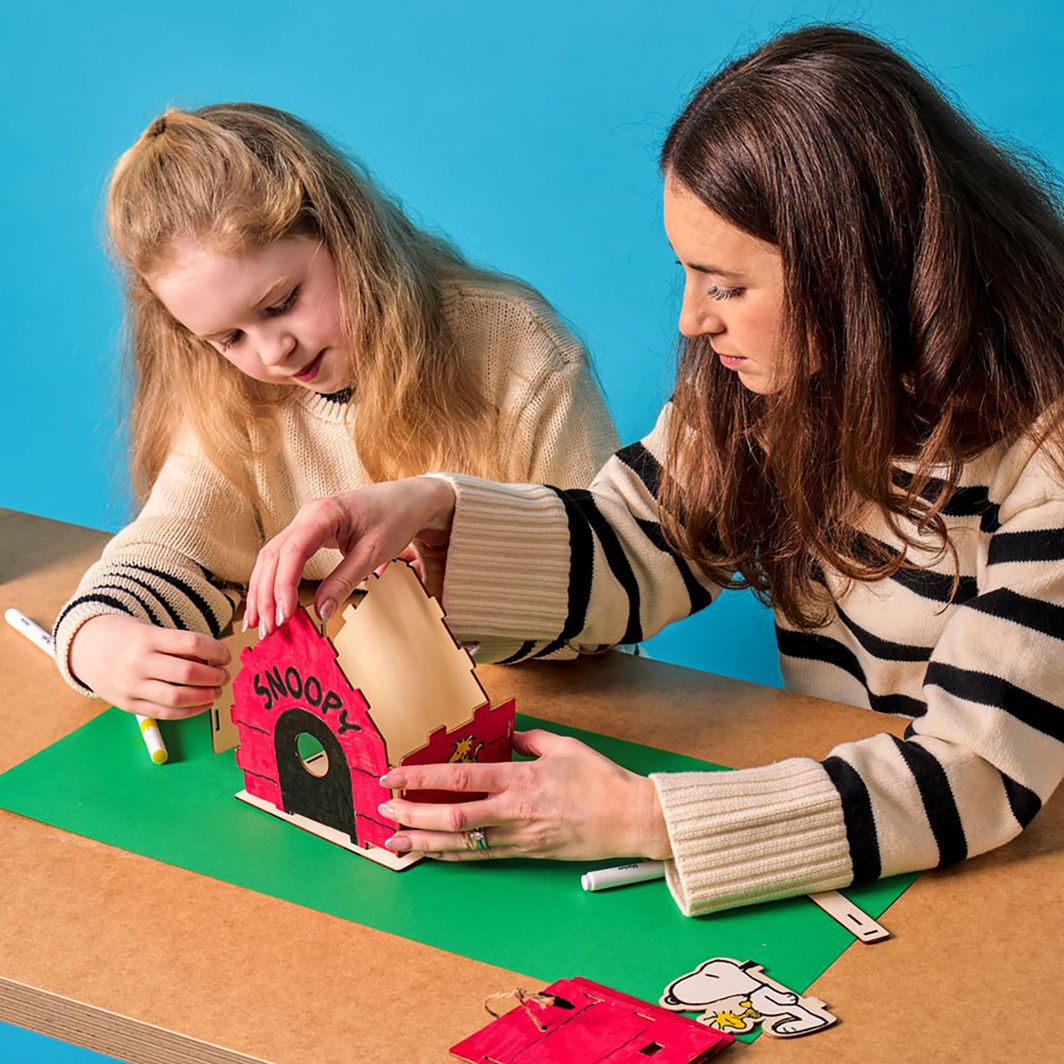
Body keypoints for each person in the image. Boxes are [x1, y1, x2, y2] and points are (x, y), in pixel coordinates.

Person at [243, 25, 1064, 918]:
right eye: (688, 274)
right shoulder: (779, 383)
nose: (690, 321)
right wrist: (433, 510)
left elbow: (977, 769)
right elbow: (639, 543)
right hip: (870, 843)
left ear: (859, 269)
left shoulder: (1047, 458)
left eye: (726, 285)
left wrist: (644, 817)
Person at [54, 103, 618, 716]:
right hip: (347, 719)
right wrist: (96, 641)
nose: (273, 352)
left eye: (282, 303)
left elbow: (613, 591)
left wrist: (458, 575)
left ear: (344, 231)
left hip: (544, 708)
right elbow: (173, 549)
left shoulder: (519, 353)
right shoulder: (232, 397)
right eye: (229, 338)